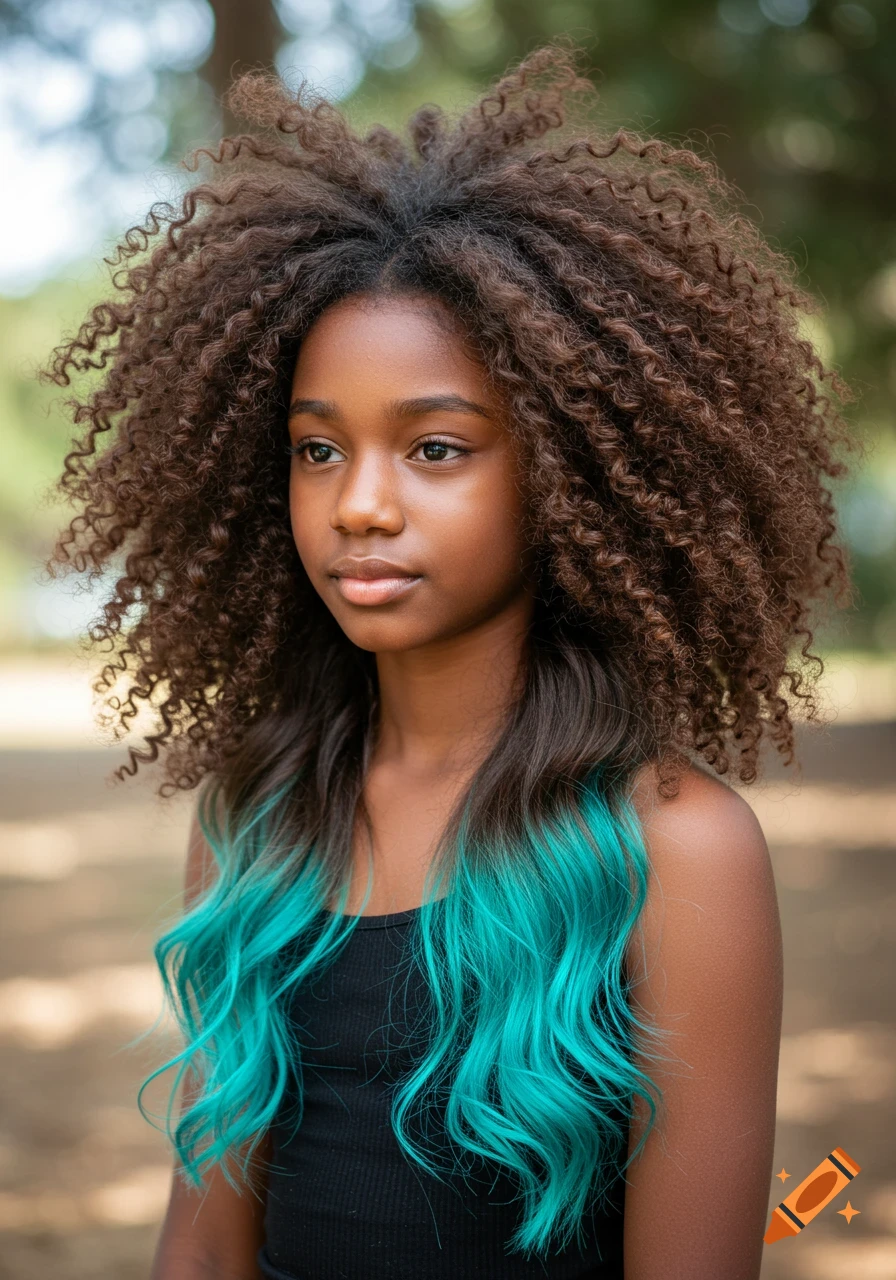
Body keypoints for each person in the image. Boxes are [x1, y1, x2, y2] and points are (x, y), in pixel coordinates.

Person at [44, 41, 857, 1280]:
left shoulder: (671, 850)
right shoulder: (260, 819)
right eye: (318, 451)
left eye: (434, 448)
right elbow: (202, 1243)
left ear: (567, 473)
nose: (359, 503)